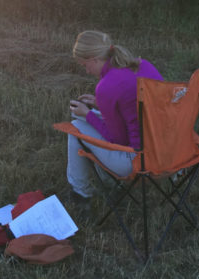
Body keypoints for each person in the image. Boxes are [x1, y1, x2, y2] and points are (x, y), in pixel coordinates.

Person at [67, 30, 163, 205]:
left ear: (93, 59)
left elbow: (116, 139)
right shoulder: (143, 65)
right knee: (87, 119)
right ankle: (106, 182)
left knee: (75, 126)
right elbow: (134, 109)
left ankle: (81, 193)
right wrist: (100, 104)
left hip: (137, 161)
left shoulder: (106, 86)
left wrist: (88, 114)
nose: (86, 71)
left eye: (84, 65)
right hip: (167, 150)